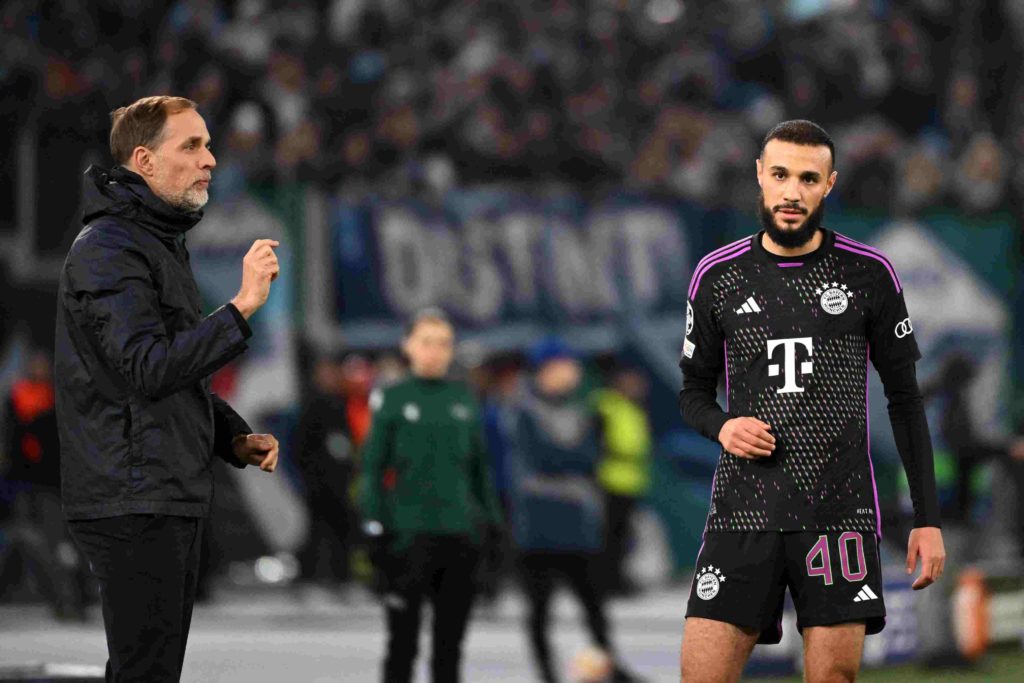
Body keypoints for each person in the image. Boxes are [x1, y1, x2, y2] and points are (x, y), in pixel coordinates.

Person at [678, 119, 945, 683]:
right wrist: (722, 427)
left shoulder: (869, 273)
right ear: (759, 176)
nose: (792, 192)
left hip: (838, 513)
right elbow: (693, 395)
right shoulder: (716, 275)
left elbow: (905, 400)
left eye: (808, 178)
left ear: (830, 184)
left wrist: (927, 518)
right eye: (780, 175)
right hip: (743, 512)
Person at [54, 95, 282, 682]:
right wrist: (242, 307)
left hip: (158, 487)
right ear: (144, 161)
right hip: (132, 493)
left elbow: (170, 377)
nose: (210, 158)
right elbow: (148, 368)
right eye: (192, 145)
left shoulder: (154, 242)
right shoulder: (109, 248)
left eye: (207, 143)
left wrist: (231, 436)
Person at [359, 309, 503, 683]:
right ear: (408, 346)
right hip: (407, 537)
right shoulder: (392, 398)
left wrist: (492, 526)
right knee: (402, 644)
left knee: (450, 647)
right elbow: (373, 469)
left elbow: (477, 470)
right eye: (426, 342)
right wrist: (374, 526)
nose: (435, 352)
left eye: (443, 344)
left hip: (458, 536)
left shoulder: (463, 398)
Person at [507, 337, 642, 683]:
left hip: (578, 528)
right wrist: (572, 469)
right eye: (565, 366)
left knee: (594, 606)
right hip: (538, 529)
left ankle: (611, 668)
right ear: (545, 370)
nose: (572, 373)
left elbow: (588, 458)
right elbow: (539, 464)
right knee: (539, 611)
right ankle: (547, 674)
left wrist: (570, 465)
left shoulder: (583, 410)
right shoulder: (522, 411)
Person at [0, 350, 88, 619]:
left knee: (55, 543)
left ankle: (70, 600)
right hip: (24, 484)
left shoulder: (53, 398)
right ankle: (62, 599)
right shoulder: (17, 398)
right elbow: (12, 442)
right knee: (35, 542)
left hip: (50, 483)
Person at [294, 356, 357, 591]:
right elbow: (300, 446)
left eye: (333, 372)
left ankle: (342, 579)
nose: (330, 377)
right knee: (315, 531)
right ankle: (307, 579)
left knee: (342, 530)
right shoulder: (311, 405)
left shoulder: (341, 404)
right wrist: (310, 476)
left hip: (340, 480)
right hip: (318, 482)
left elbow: (345, 444)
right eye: (325, 373)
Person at [593, 365, 653, 597]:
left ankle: (616, 578)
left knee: (622, 536)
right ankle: (608, 581)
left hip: (630, 481)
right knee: (610, 536)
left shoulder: (633, 408)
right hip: (610, 480)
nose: (637, 388)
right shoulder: (606, 406)